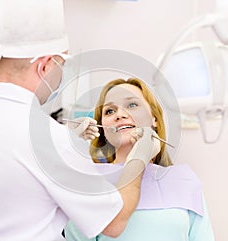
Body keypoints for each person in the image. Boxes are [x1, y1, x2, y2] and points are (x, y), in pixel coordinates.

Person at [0, 1, 159, 240]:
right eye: (62, 66)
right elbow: (114, 222)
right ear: (45, 66)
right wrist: (138, 159)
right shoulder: (49, 139)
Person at [65, 78, 215, 241]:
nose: (120, 115)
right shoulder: (87, 183)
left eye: (132, 105)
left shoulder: (184, 180)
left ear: (154, 119)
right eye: (109, 111)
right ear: (101, 128)